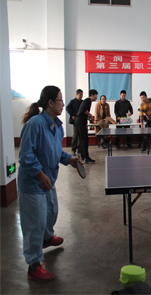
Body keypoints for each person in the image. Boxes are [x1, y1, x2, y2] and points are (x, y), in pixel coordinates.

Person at [18, 85, 78, 282]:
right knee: (34, 223)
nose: (63, 104)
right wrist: (39, 174)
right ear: (50, 103)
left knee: (51, 211)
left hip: (48, 180)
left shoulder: (57, 126)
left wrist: (69, 159)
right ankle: (33, 265)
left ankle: (46, 238)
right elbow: (25, 156)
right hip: (33, 182)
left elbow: (56, 152)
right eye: (60, 100)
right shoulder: (34, 124)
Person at [75, 89, 98, 163]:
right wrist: (90, 115)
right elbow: (84, 110)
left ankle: (83, 156)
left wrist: (88, 117)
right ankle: (86, 157)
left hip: (80, 121)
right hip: (80, 122)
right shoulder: (88, 100)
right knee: (84, 139)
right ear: (92, 95)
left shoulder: (87, 101)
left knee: (83, 139)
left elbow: (83, 111)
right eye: (96, 95)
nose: (96, 97)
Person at [65, 88, 83, 156]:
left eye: (82, 95)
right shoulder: (72, 101)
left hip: (81, 120)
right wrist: (72, 115)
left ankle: (79, 149)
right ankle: (73, 150)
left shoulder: (82, 102)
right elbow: (67, 108)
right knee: (75, 135)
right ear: (77, 95)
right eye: (80, 95)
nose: (81, 96)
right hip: (75, 120)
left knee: (80, 135)